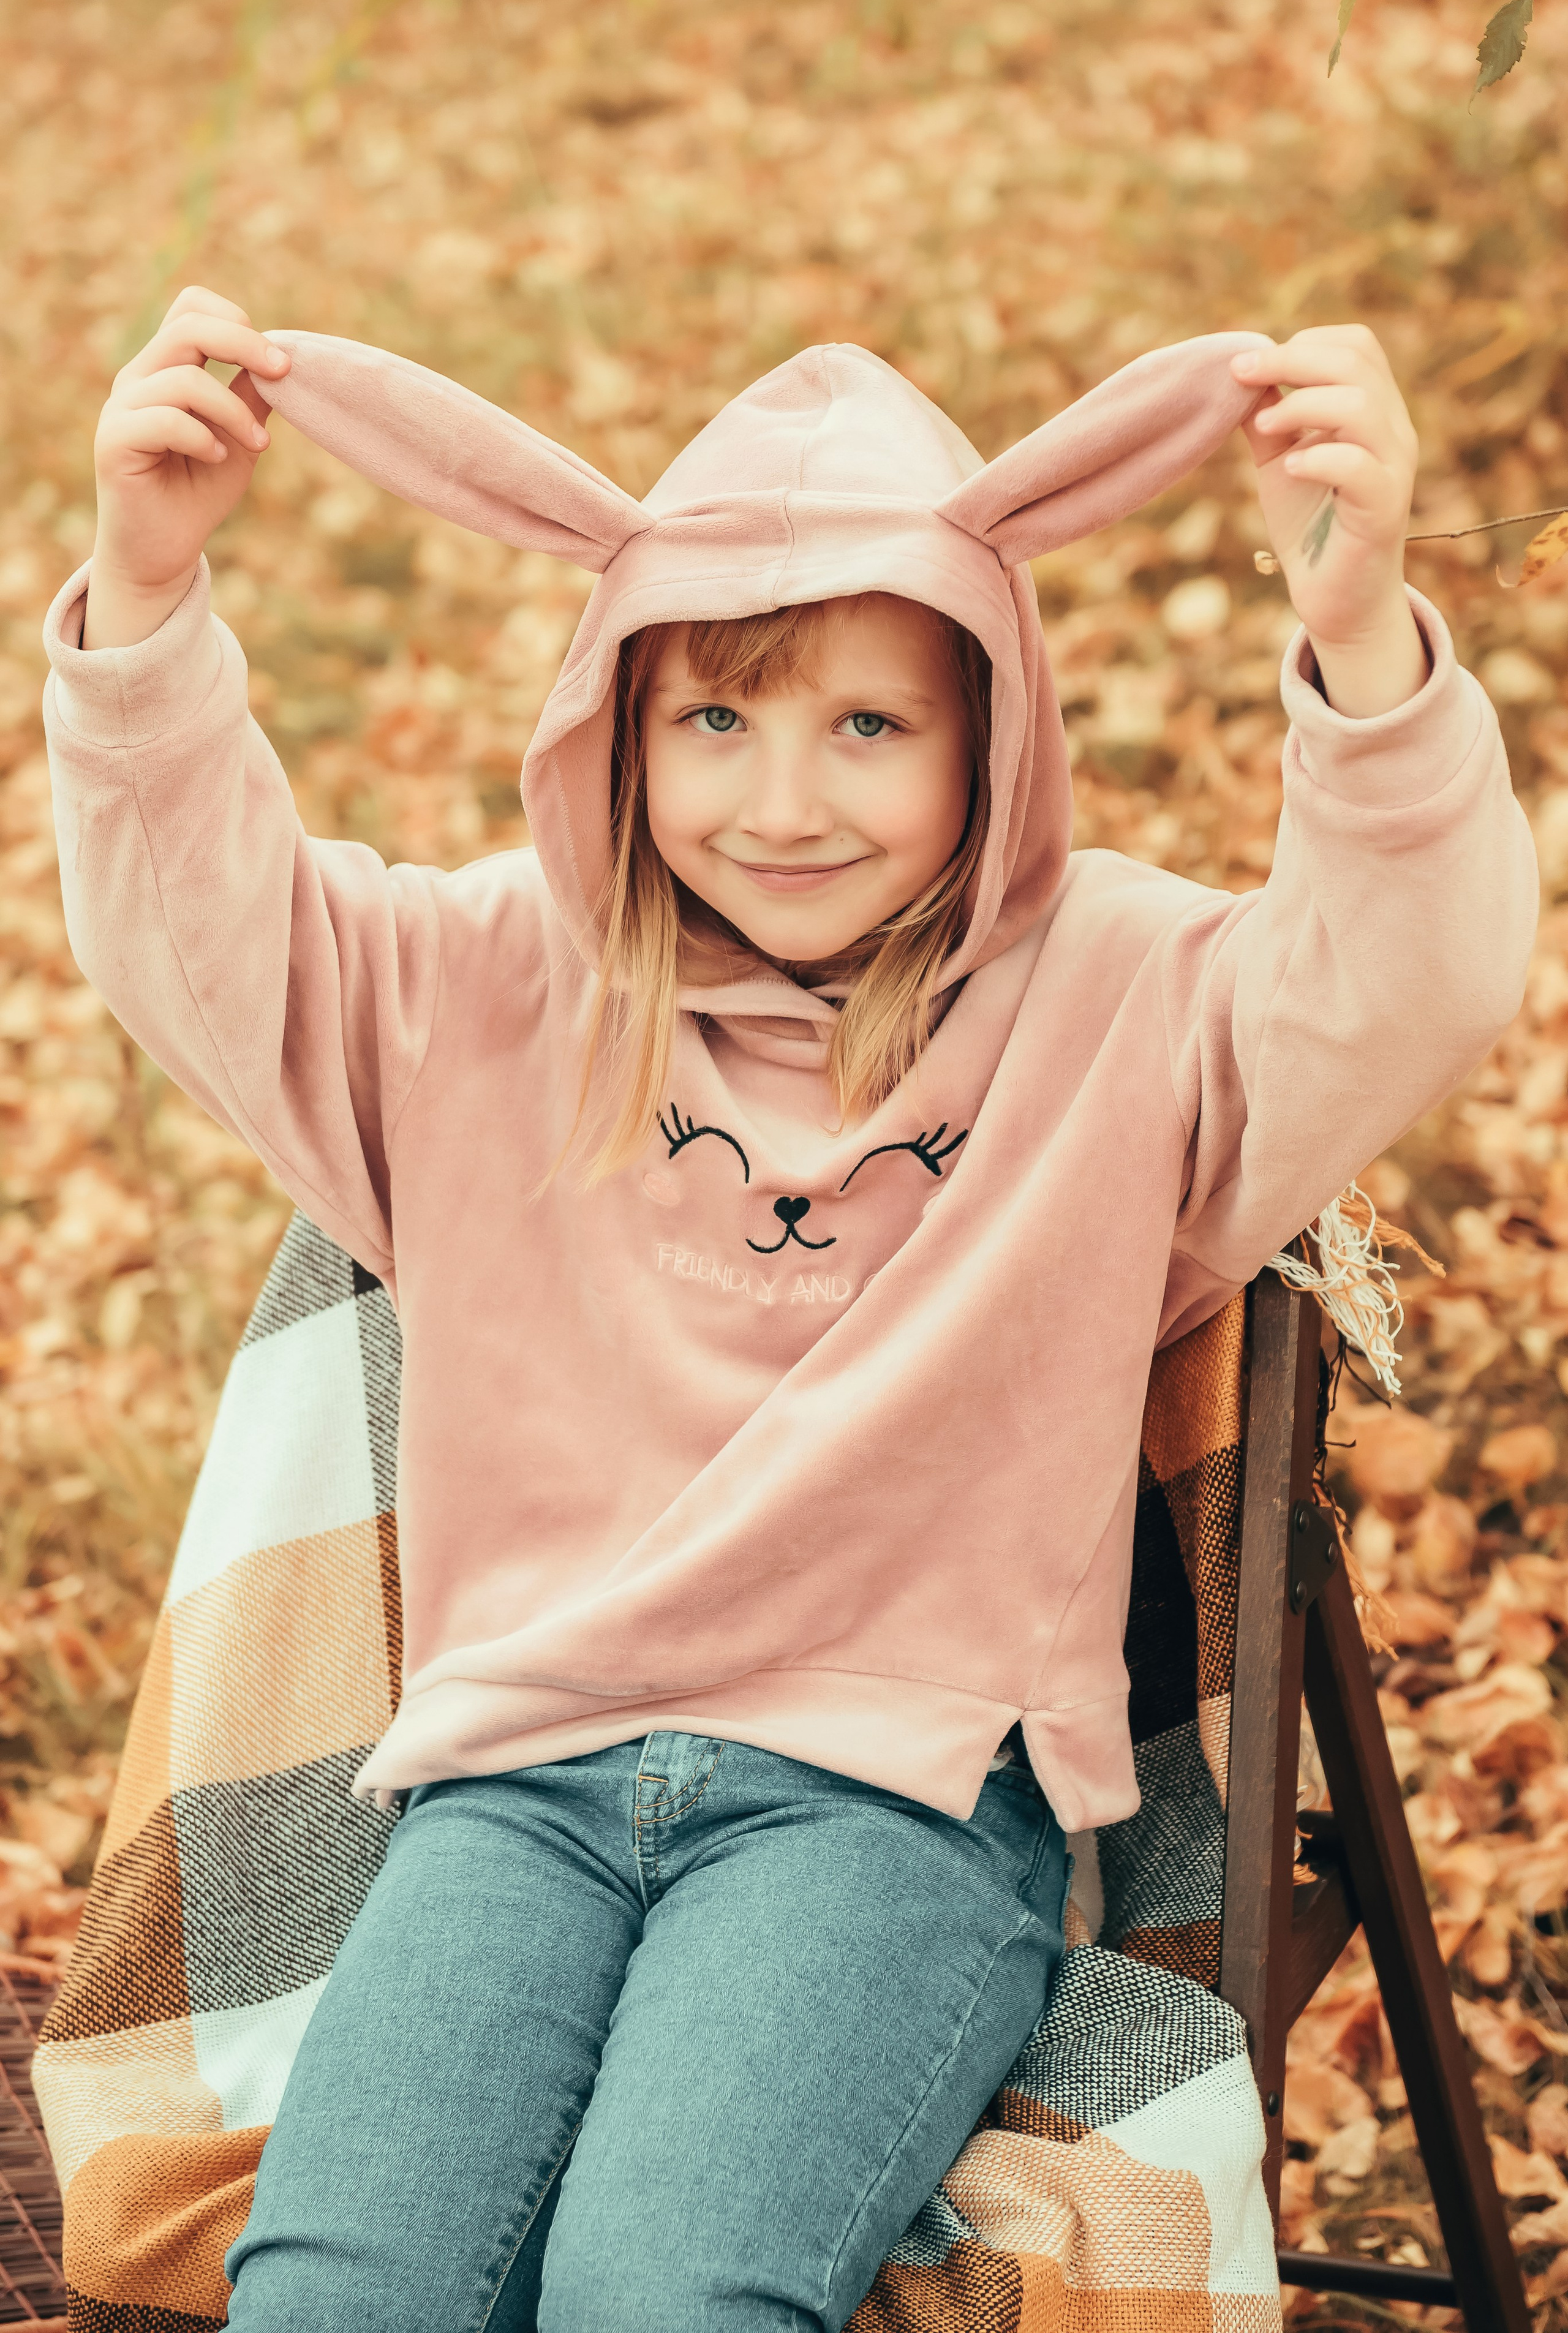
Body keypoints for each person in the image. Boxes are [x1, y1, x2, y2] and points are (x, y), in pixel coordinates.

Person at [43, 285, 1536, 2331]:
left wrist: (1364, 645)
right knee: (336, 2283)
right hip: (515, 1783)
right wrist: (148, 582)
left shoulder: (1122, 997)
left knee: (661, 2291)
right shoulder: (494, 985)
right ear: (621, 727)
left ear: (987, 730)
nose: (782, 801)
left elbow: (1412, 973)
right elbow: (202, 933)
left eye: (870, 722)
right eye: (715, 721)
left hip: (889, 1801)